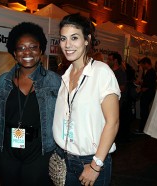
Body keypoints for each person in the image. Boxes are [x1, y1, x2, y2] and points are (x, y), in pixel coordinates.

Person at [53, 13, 121, 186]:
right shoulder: (66, 76)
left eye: (74, 38)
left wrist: (96, 165)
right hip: (66, 160)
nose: (67, 45)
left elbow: (112, 122)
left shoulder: (101, 72)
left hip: (91, 162)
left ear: (86, 40)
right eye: (63, 38)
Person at [0, 22, 61, 186]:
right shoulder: (3, 80)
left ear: (41, 50)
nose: (27, 52)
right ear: (14, 53)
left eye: (33, 47)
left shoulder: (54, 80)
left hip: (40, 150)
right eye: (21, 48)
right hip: (8, 150)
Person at [107, 52, 129, 142]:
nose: (108, 61)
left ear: (115, 60)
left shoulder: (120, 72)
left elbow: (122, 88)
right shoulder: (110, 70)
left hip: (118, 101)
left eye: (110, 59)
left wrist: (108, 89)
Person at [137, 57, 157, 133]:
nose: (141, 66)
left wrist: (139, 90)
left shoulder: (151, 72)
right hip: (148, 94)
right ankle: (143, 128)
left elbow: (147, 86)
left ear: (146, 63)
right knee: (144, 111)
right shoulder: (150, 72)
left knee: (144, 112)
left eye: (142, 64)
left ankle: (142, 129)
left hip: (147, 95)